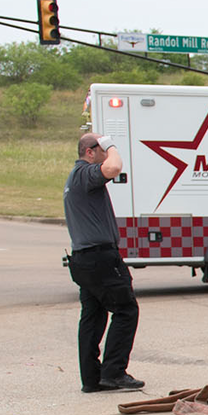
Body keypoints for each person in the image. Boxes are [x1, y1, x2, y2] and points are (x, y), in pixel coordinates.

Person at [64, 133, 145, 393]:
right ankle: (113, 372)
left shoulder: (76, 178)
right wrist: (110, 144)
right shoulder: (85, 172)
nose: (106, 154)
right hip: (100, 258)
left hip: (84, 259)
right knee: (126, 310)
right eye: (101, 150)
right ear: (90, 152)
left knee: (93, 316)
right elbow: (113, 167)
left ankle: (92, 378)